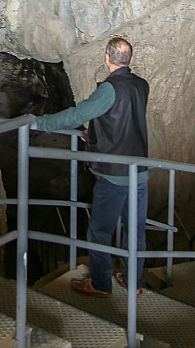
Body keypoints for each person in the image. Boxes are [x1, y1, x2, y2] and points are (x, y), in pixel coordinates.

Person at [32, 36, 149, 296]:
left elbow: (78, 114)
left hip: (113, 173)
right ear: (130, 59)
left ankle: (100, 283)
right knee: (135, 230)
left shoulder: (110, 88)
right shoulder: (142, 85)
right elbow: (124, 121)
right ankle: (134, 281)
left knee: (99, 230)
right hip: (139, 170)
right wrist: (94, 133)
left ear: (106, 58)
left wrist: (41, 123)